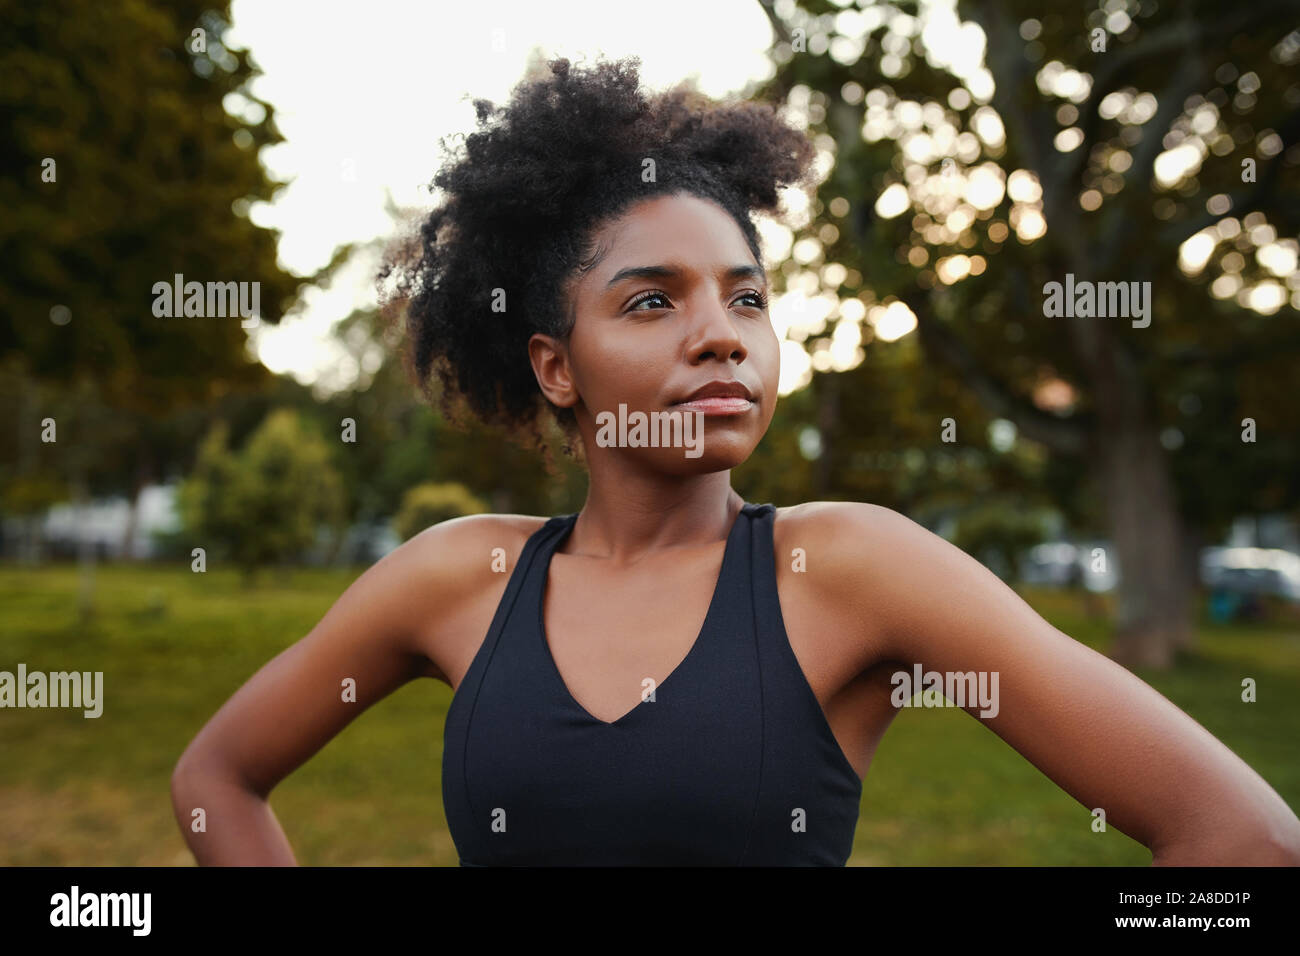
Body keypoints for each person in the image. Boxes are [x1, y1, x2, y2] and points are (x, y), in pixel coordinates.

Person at [170, 55, 1300, 866]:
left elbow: (1241, 838)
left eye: (747, 298)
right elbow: (216, 779)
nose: (722, 334)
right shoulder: (458, 577)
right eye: (652, 300)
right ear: (555, 366)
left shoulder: (851, 567)